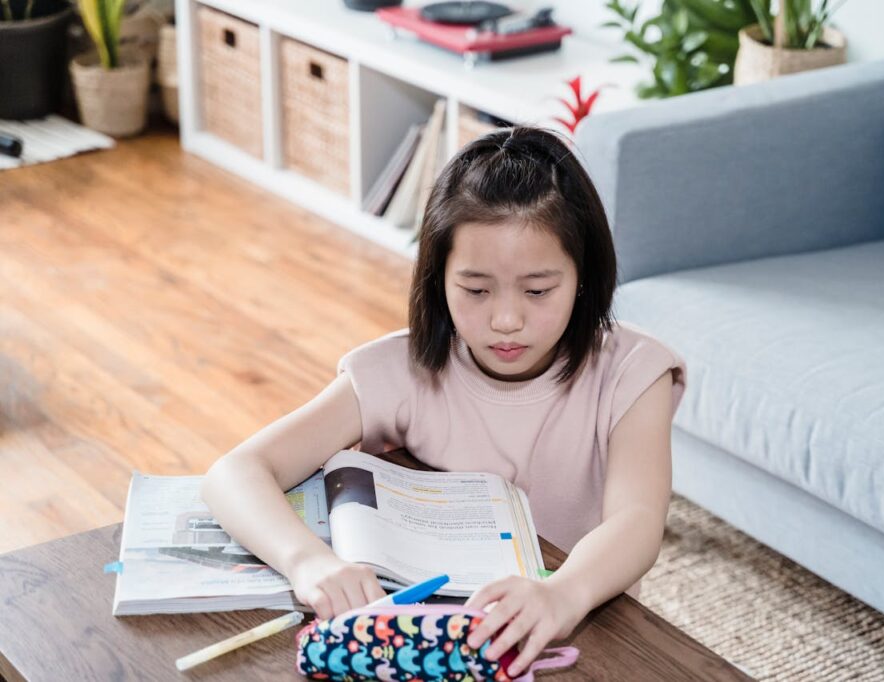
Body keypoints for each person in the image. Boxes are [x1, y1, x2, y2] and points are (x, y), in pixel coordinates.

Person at [201, 125, 686, 677]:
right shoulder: (400, 370)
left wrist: (563, 595)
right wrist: (307, 562)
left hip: (578, 626)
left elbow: (639, 520)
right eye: (476, 290)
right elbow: (235, 471)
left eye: (538, 290)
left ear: (584, 277)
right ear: (438, 281)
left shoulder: (632, 373)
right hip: (420, 636)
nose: (506, 319)